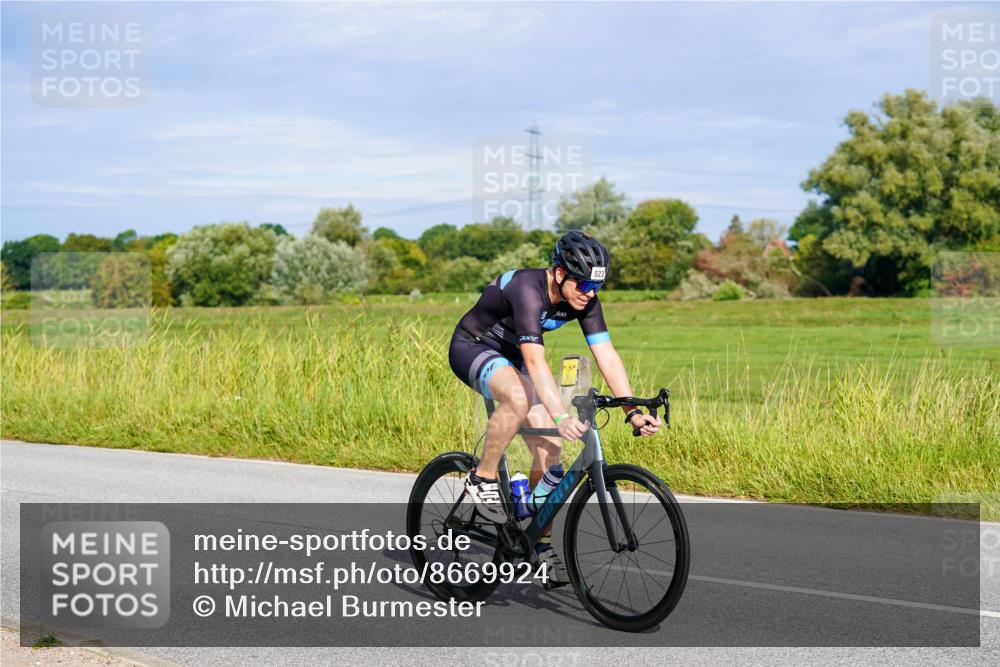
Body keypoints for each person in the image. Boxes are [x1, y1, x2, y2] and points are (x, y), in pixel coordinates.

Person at [447, 230, 661, 585]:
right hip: (473, 346)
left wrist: (632, 411)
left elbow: (605, 354)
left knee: (550, 448)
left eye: (596, 288)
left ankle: (537, 545)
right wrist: (560, 415)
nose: (588, 294)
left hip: (513, 357)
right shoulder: (527, 289)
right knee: (517, 399)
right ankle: (481, 478)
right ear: (560, 273)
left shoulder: (586, 298)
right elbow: (535, 360)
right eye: (582, 286)